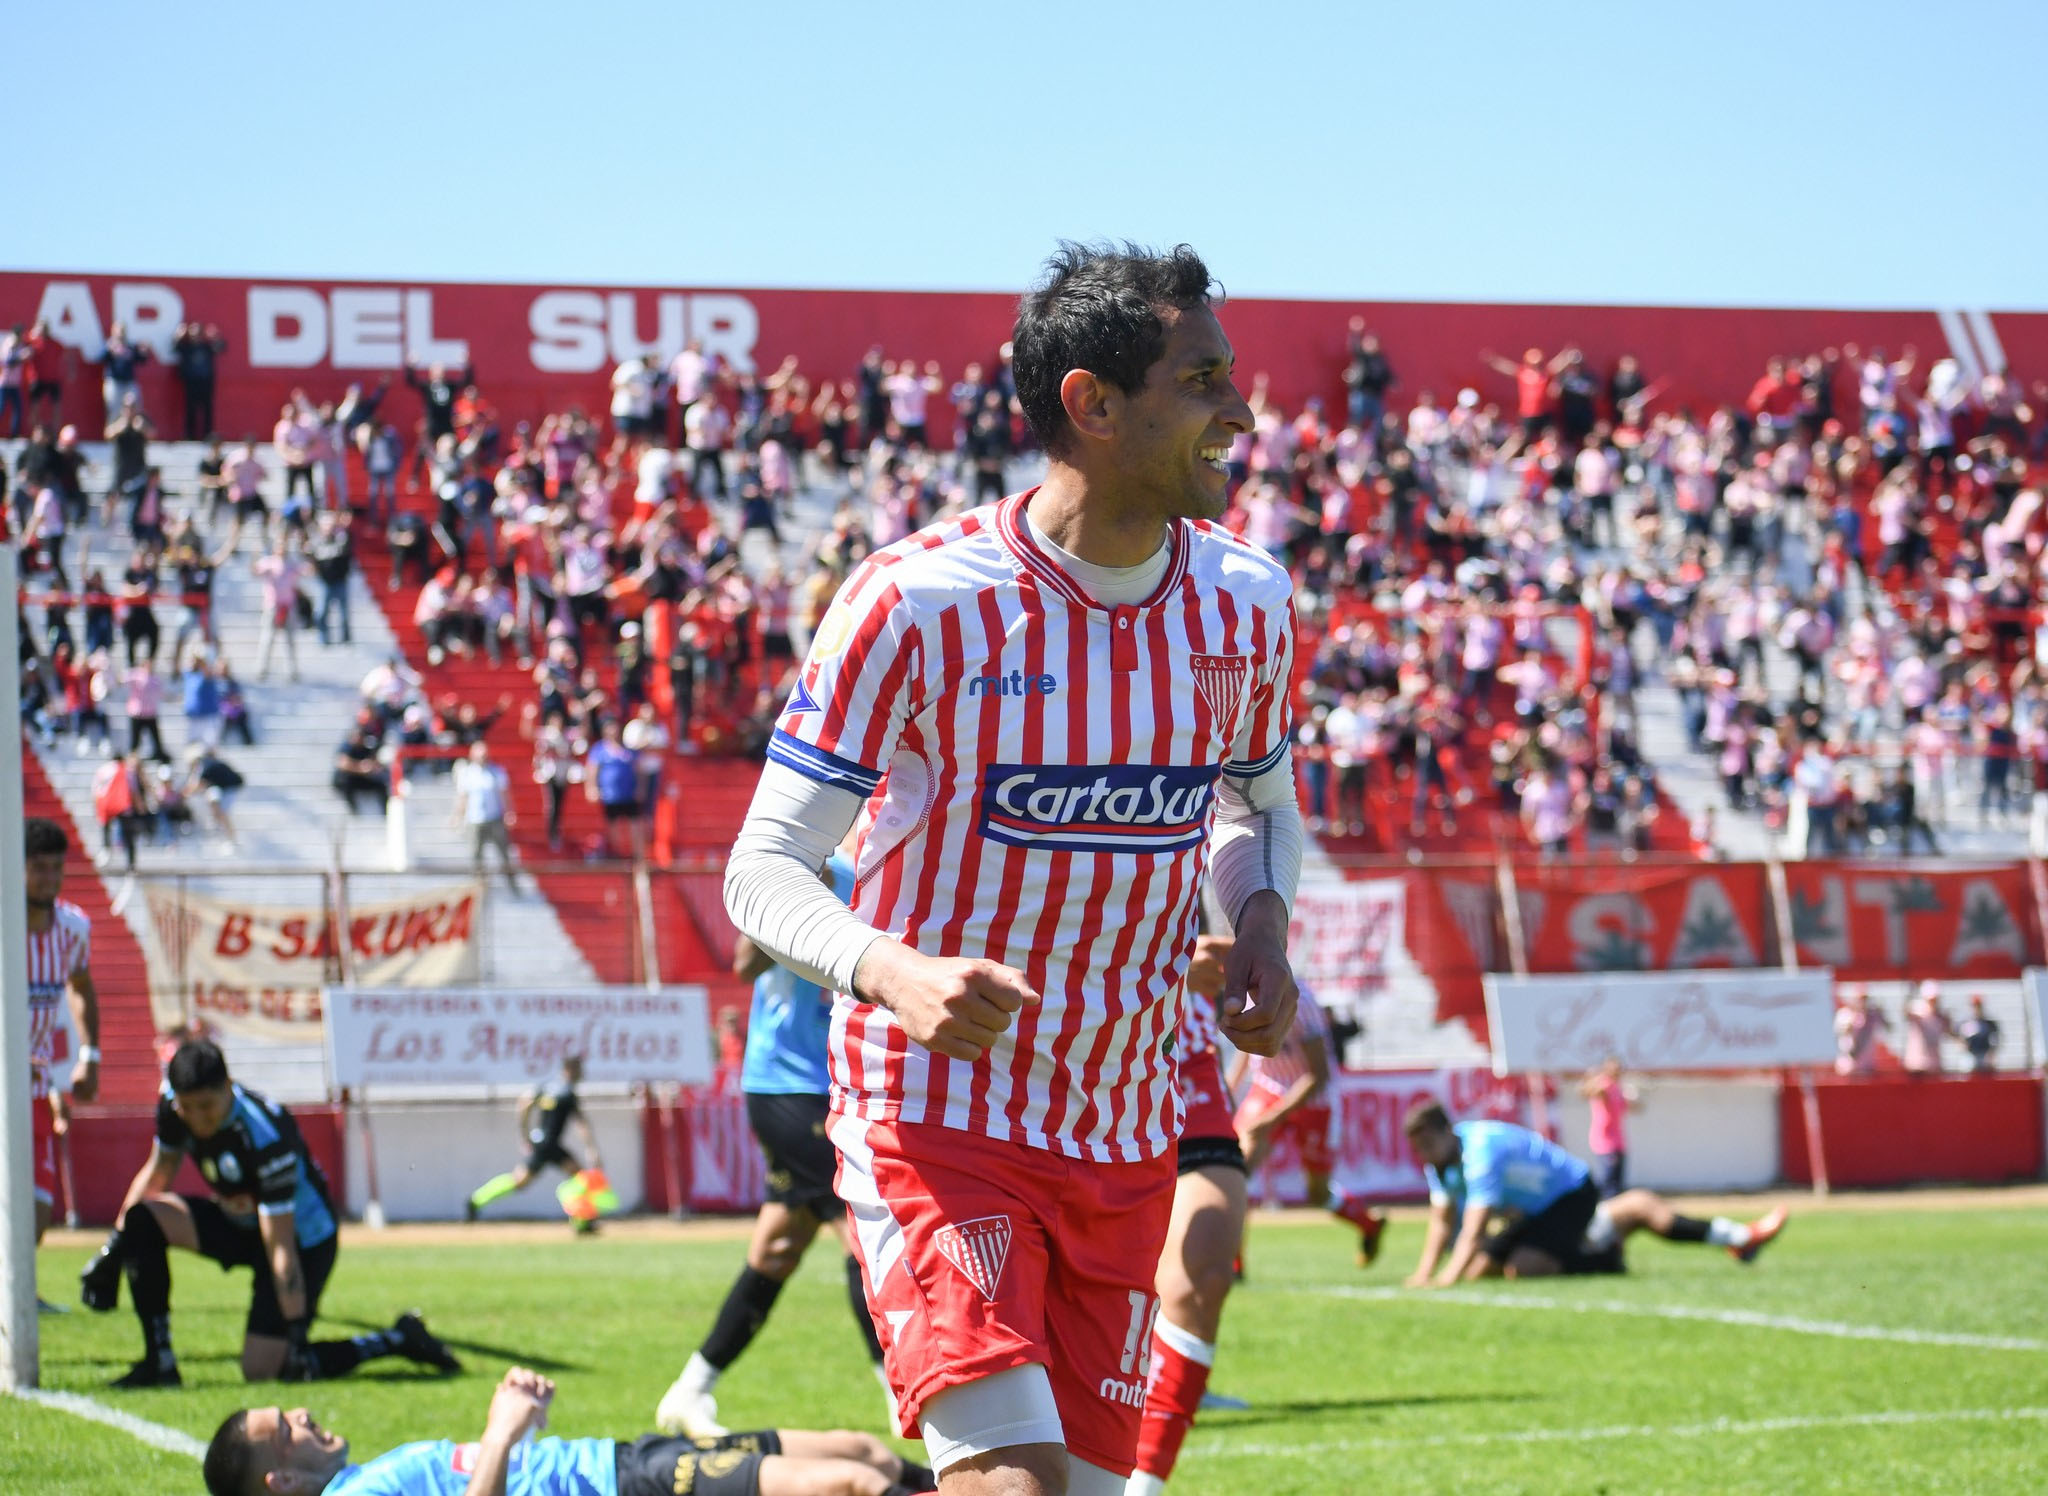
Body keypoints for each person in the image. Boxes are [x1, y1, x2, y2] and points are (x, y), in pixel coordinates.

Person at [721, 242, 1301, 1496]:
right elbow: (761, 865)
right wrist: (889, 969)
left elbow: (1253, 797)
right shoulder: (919, 600)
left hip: (1126, 1123)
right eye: (1202, 379)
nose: (1238, 409)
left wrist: (1259, 914)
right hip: (936, 1114)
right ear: (1092, 403)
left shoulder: (1248, 601)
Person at [657, 855, 893, 1439]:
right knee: (863, 1235)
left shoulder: (893, 875)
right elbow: (742, 963)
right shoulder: (814, 869)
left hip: (828, 1087)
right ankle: (899, 1393)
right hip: (788, 1087)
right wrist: (798, 893)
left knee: (777, 1250)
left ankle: (690, 1389)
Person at [78, 1039, 461, 1386]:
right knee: (142, 1219)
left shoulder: (265, 1134)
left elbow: (280, 1247)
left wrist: (295, 1334)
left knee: (265, 1370)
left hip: (302, 1241)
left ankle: (396, 1339)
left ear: (228, 1088)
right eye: (188, 1108)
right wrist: (113, 1251)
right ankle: (159, 1363)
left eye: (207, 1107)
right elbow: (157, 1175)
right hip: (240, 1224)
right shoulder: (172, 1107)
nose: (198, 1119)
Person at [200, 1366, 936, 1496]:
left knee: (862, 1449)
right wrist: (500, 1432)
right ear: (283, 1481)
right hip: (624, 1488)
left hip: (623, 1458)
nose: (301, 1416)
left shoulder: (363, 1476)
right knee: (850, 1485)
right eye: (284, 1431)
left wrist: (521, 1424)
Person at [1401, 1102, 1786, 1283]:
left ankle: (1604, 1254)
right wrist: (1423, 1274)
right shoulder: (1442, 1161)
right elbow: (1442, 1221)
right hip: (1535, 1212)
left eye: (1427, 1145)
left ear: (1447, 1131)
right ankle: (1609, 1228)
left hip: (1570, 1196)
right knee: (1481, 1271)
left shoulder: (1481, 1152)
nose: (1423, 1155)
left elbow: (1472, 1227)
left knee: (1523, 1269)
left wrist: (1444, 1279)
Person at [21, 820, 102, 1256]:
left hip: (35, 1088)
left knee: (38, 1208)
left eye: (56, 868)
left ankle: (16, 1299)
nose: (49, 878)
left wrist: (89, 1053)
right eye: (38, 867)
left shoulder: (72, 928)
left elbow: (81, 985)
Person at [465, 1056, 601, 1228]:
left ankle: (475, 1200)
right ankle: (582, 1222)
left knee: (518, 1181)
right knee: (581, 1179)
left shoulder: (547, 1087)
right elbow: (582, 1124)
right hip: (550, 1146)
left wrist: (524, 1133)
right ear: (570, 1069)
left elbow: (524, 1102)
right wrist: (591, 1149)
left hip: (541, 1143)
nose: (583, 1073)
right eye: (579, 1069)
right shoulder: (567, 1093)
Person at [452, 739, 520, 891]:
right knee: (477, 855)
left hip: (494, 817)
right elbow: (463, 797)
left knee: (504, 854)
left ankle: (513, 886)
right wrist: (458, 816)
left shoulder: (496, 771)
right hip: (475, 819)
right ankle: (480, 887)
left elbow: (504, 794)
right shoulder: (467, 773)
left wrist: (509, 812)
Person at [1579, 1055, 1635, 1197]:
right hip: (1605, 1141)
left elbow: (1635, 1107)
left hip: (1619, 1141)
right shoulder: (1603, 1085)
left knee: (1617, 1182)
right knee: (1607, 1181)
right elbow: (1588, 1092)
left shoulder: (1619, 1088)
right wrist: (1591, 1079)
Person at [1902, 981, 1952, 1074]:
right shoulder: (1918, 1009)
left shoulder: (1941, 1017)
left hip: (1934, 1064)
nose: (1933, 1002)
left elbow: (1949, 1032)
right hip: (1917, 1065)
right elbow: (1906, 1012)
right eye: (1931, 999)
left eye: (1935, 999)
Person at [1958, 995, 2002, 1074]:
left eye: (1978, 1006)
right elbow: (1961, 1041)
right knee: (1967, 1064)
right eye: (1974, 1006)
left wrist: (1991, 1054)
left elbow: (1995, 1041)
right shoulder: (1966, 1024)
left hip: (1984, 1055)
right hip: (1971, 1055)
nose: (1976, 1009)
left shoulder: (1989, 1024)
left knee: (1989, 1065)